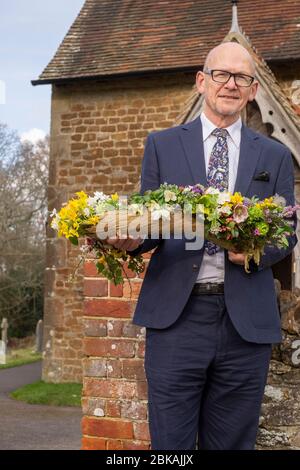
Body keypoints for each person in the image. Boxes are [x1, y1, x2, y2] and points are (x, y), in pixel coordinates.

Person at [107, 42, 297, 450]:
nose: (230, 84)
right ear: (201, 82)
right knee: (171, 447)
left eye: (241, 77)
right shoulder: (162, 144)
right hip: (177, 319)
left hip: (245, 324)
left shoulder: (276, 156)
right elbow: (151, 224)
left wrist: (258, 252)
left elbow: (287, 232)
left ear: (252, 90)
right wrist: (131, 240)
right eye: (221, 75)